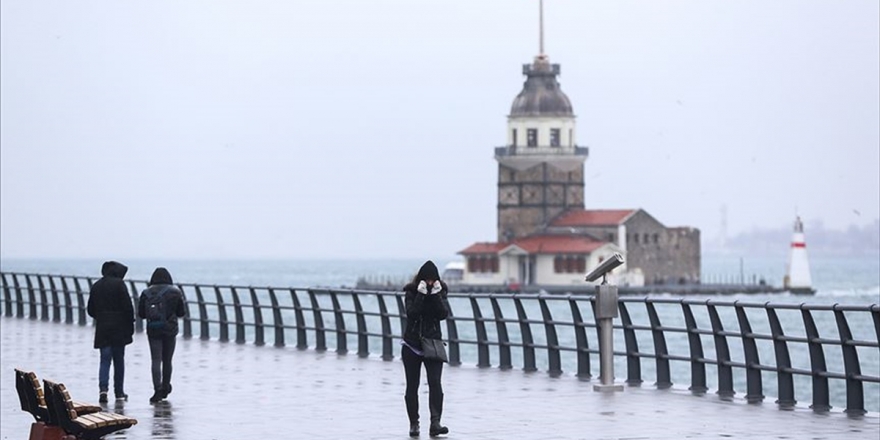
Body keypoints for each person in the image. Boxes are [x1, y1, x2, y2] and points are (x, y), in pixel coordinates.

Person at [401, 260, 451, 437]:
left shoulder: (441, 291)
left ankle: (435, 422)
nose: (430, 283)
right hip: (412, 344)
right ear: (421, 279)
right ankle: (414, 424)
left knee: (435, 383)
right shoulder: (411, 292)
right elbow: (412, 314)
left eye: (432, 280)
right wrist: (421, 294)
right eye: (427, 280)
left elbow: (443, 314)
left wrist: (436, 295)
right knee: (412, 386)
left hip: (433, 344)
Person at [86, 260, 135, 403]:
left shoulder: (97, 286)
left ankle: (103, 390)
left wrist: (101, 316)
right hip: (119, 328)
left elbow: (90, 309)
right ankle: (119, 392)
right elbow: (128, 307)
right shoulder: (120, 284)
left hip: (103, 328)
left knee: (104, 359)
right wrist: (130, 324)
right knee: (119, 360)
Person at [137, 267, 186, 403]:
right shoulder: (175, 292)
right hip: (170, 329)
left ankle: (157, 389)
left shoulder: (146, 293)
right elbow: (181, 313)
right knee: (168, 360)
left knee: (155, 360)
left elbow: (141, 314)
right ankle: (166, 386)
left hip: (153, 329)